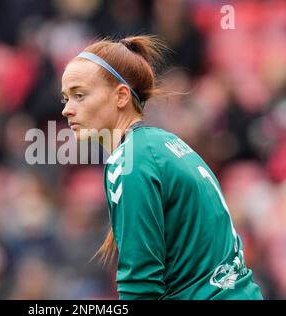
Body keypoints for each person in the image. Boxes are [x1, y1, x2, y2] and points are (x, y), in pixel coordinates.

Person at [60, 35, 263, 300]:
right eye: (65, 98)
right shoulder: (166, 144)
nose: (67, 110)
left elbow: (140, 286)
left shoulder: (130, 161)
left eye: (79, 95)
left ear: (121, 96)